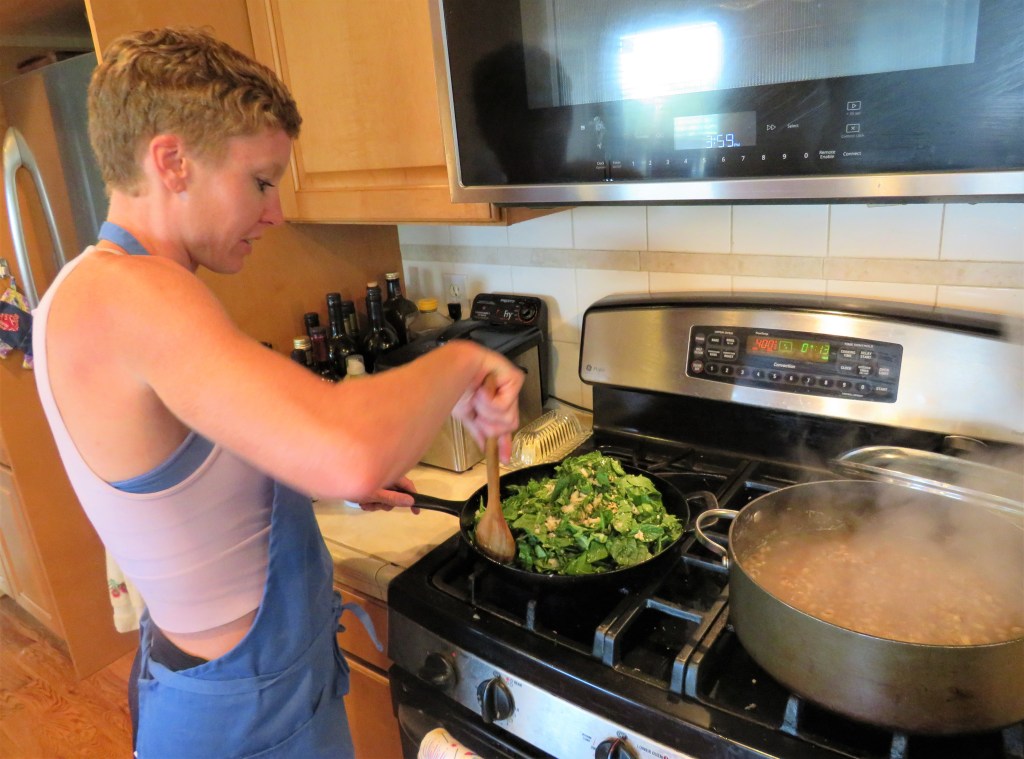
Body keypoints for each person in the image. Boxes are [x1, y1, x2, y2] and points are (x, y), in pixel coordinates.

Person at [31, 26, 523, 758]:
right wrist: (462, 359)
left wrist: (304, 478)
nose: (275, 211)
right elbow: (347, 449)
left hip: (238, 687)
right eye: (260, 181)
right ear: (171, 161)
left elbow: (184, 480)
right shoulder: (131, 295)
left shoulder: (91, 286)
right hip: (242, 713)